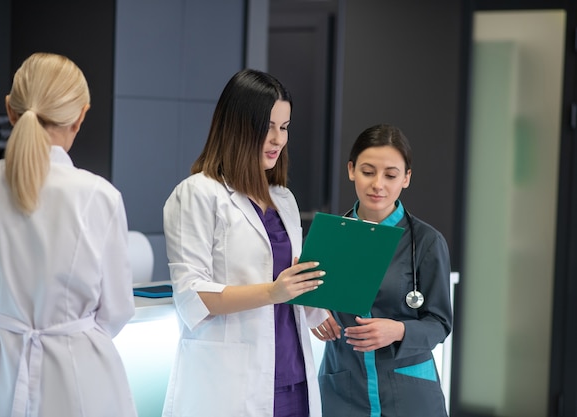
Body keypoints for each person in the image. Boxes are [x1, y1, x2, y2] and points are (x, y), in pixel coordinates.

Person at [0, 52, 138, 417]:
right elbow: (116, 312)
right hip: (82, 382)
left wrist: (7, 327)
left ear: (10, 109)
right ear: (80, 116)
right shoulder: (99, 195)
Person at [162, 68, 329, 417]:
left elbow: (288, 277)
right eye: (267, 126)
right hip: (230, 385)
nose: (277, 139)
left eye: (284, 128)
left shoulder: (283, 199)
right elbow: (191, 296)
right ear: (237, 125)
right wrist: (272, 292)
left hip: (293, 378)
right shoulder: (197, 194)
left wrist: (315, 305)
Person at [312, 124, 452, 416]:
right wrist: (312, 314)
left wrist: (398, 330)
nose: (378, 184)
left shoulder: (426, 242)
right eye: (367, 171)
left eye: (390, 175)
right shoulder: (330, 237)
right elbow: (304, 301)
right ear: (351, 170)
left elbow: (439, 324)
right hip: (344, 391)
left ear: (406, 178)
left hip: (409, 392)